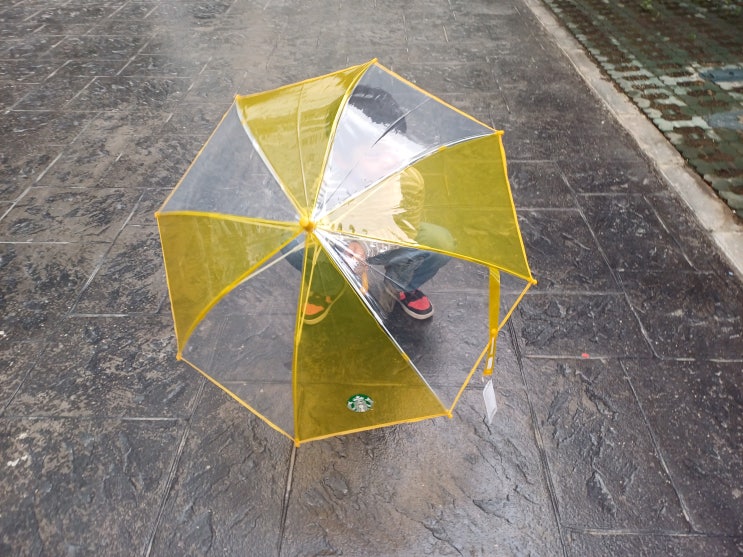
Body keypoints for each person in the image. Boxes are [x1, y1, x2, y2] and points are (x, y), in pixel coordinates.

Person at [285, 84, 454, 324]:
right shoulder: (325, 181)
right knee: (292, 238)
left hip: (388, 241)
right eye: (376, 154)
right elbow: (319, 223)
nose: (391, 159)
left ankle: (401, 284)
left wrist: (365, 246)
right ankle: (329, 284)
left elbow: (404, 228)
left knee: (439, 242)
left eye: (396, 145)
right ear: (341, 158)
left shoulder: (407, 180)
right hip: (340, 246)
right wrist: (347, 247)